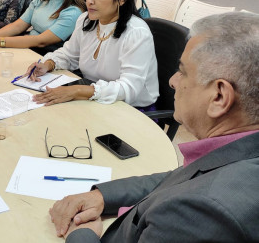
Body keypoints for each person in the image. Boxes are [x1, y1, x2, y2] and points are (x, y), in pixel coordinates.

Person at [48, 12, 259, 242]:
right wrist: (102, 196)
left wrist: (81, 234)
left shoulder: (199, 212)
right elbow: (180, 178)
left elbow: (189, 194)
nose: (172, 81)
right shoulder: (238, 151)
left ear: (219, 97)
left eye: (183, 72)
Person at [25, 0, 158, 108]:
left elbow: (129, 88)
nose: (89, 1)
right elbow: (69, 54)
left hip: (131, 109)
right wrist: (47, 64)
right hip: (93, 97)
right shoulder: (86, 20)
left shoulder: (137, 32)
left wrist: (76, 91)